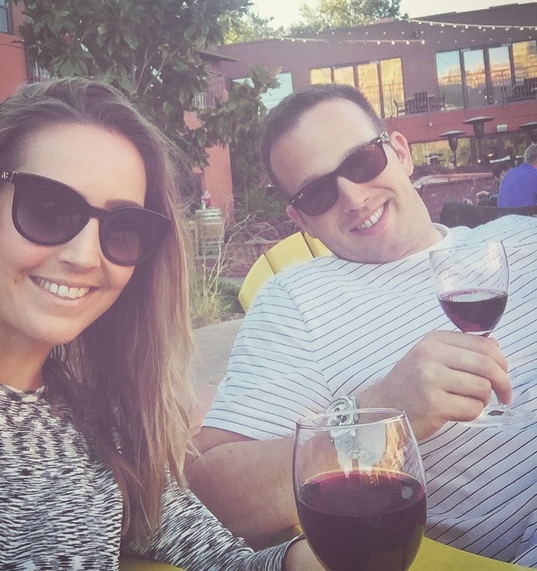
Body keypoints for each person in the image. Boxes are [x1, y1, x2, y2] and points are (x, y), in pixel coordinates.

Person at [0, 77, 322, 570]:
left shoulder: (100, 423)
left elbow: (222, 560)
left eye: (123, 228)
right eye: (50, 209)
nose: (85, 257)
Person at [188, 84, 537, 566]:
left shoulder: (522, 240)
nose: (352, 198)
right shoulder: (298, 302)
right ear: (301, 219)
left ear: (400, 153)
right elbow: (209, 491)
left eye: (361, 162)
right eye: (318, 193)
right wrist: (375, 418)